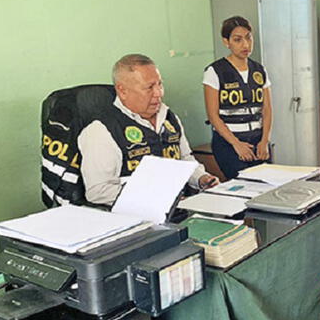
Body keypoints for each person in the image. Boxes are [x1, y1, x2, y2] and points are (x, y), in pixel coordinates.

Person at [78, 54, 219, 206]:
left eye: (160, 84)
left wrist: (201, 178)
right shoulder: (102, 131)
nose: (158, 93)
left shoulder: (169, 118)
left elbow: (184, 159)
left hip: (180, 209)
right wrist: (155, 197)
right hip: (137, 217)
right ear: (122, 91)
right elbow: (98, 191)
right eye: (149, 87)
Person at [203, 16, 273, 179]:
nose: (245, 45)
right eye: (237, 40)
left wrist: (264, 141)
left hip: (258, 140)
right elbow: (213, 116)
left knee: (266, 184)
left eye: (248, 37)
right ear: (226, 42)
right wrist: (236, 144)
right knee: (243, 186)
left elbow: (267, 109)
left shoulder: (259, 70)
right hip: (229, 143)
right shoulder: (215, 71)